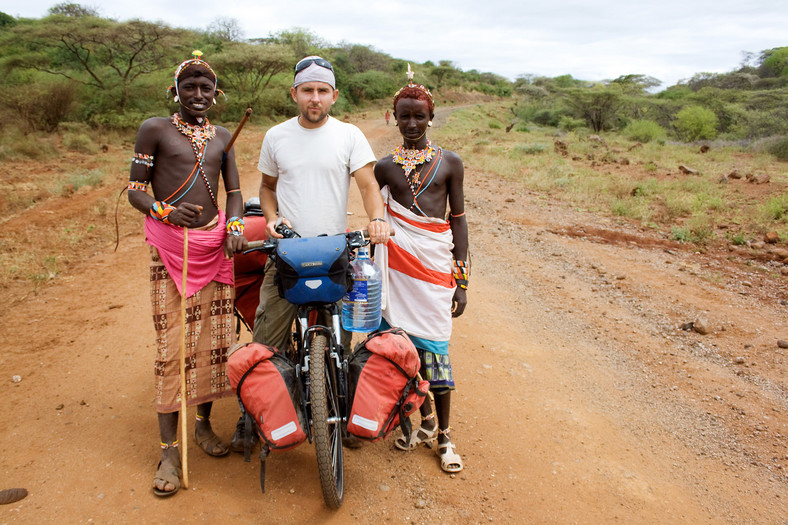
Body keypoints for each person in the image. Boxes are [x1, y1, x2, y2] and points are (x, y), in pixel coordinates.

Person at [230, 55, 390, 451]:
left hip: (336, 249)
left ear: (333, 95)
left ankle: (345, 406)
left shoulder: (349, 135)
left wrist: (377, 219)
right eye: (307, 91)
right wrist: (270, 218)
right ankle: (255, 418)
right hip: (287, 250)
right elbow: (266, 186)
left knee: (344, 336)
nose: (314, 98)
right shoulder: (276, 136)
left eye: (322, 91)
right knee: (268, 338)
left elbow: (368, 185)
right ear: (295, 94)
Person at [127, 51, 247, 497]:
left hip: (215, 249)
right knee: (171, 347)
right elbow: (136, 190)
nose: (198, 94)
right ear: (175, 91)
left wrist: (234, 227)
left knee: (212, 344)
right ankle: (168, 451)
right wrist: (166, 211)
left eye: (206, 87)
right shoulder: (154, 128)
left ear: (216, 95)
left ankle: (202, 427)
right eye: (189, 86)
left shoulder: (221, 137)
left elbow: (234, 193)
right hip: (171, 248)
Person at [373, 69, 468, 473]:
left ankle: (445, 436)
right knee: (401, 349)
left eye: (419, 116)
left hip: (433, 270)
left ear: (432, 117)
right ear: (393, 117)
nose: (412, 123)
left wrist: (460, 280)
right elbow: (377, 218)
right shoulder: (382, 168)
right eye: (404, 116)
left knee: (437, 351)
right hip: (396, 271)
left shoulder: (450, 163)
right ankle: (419, 422)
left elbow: (459, 220)